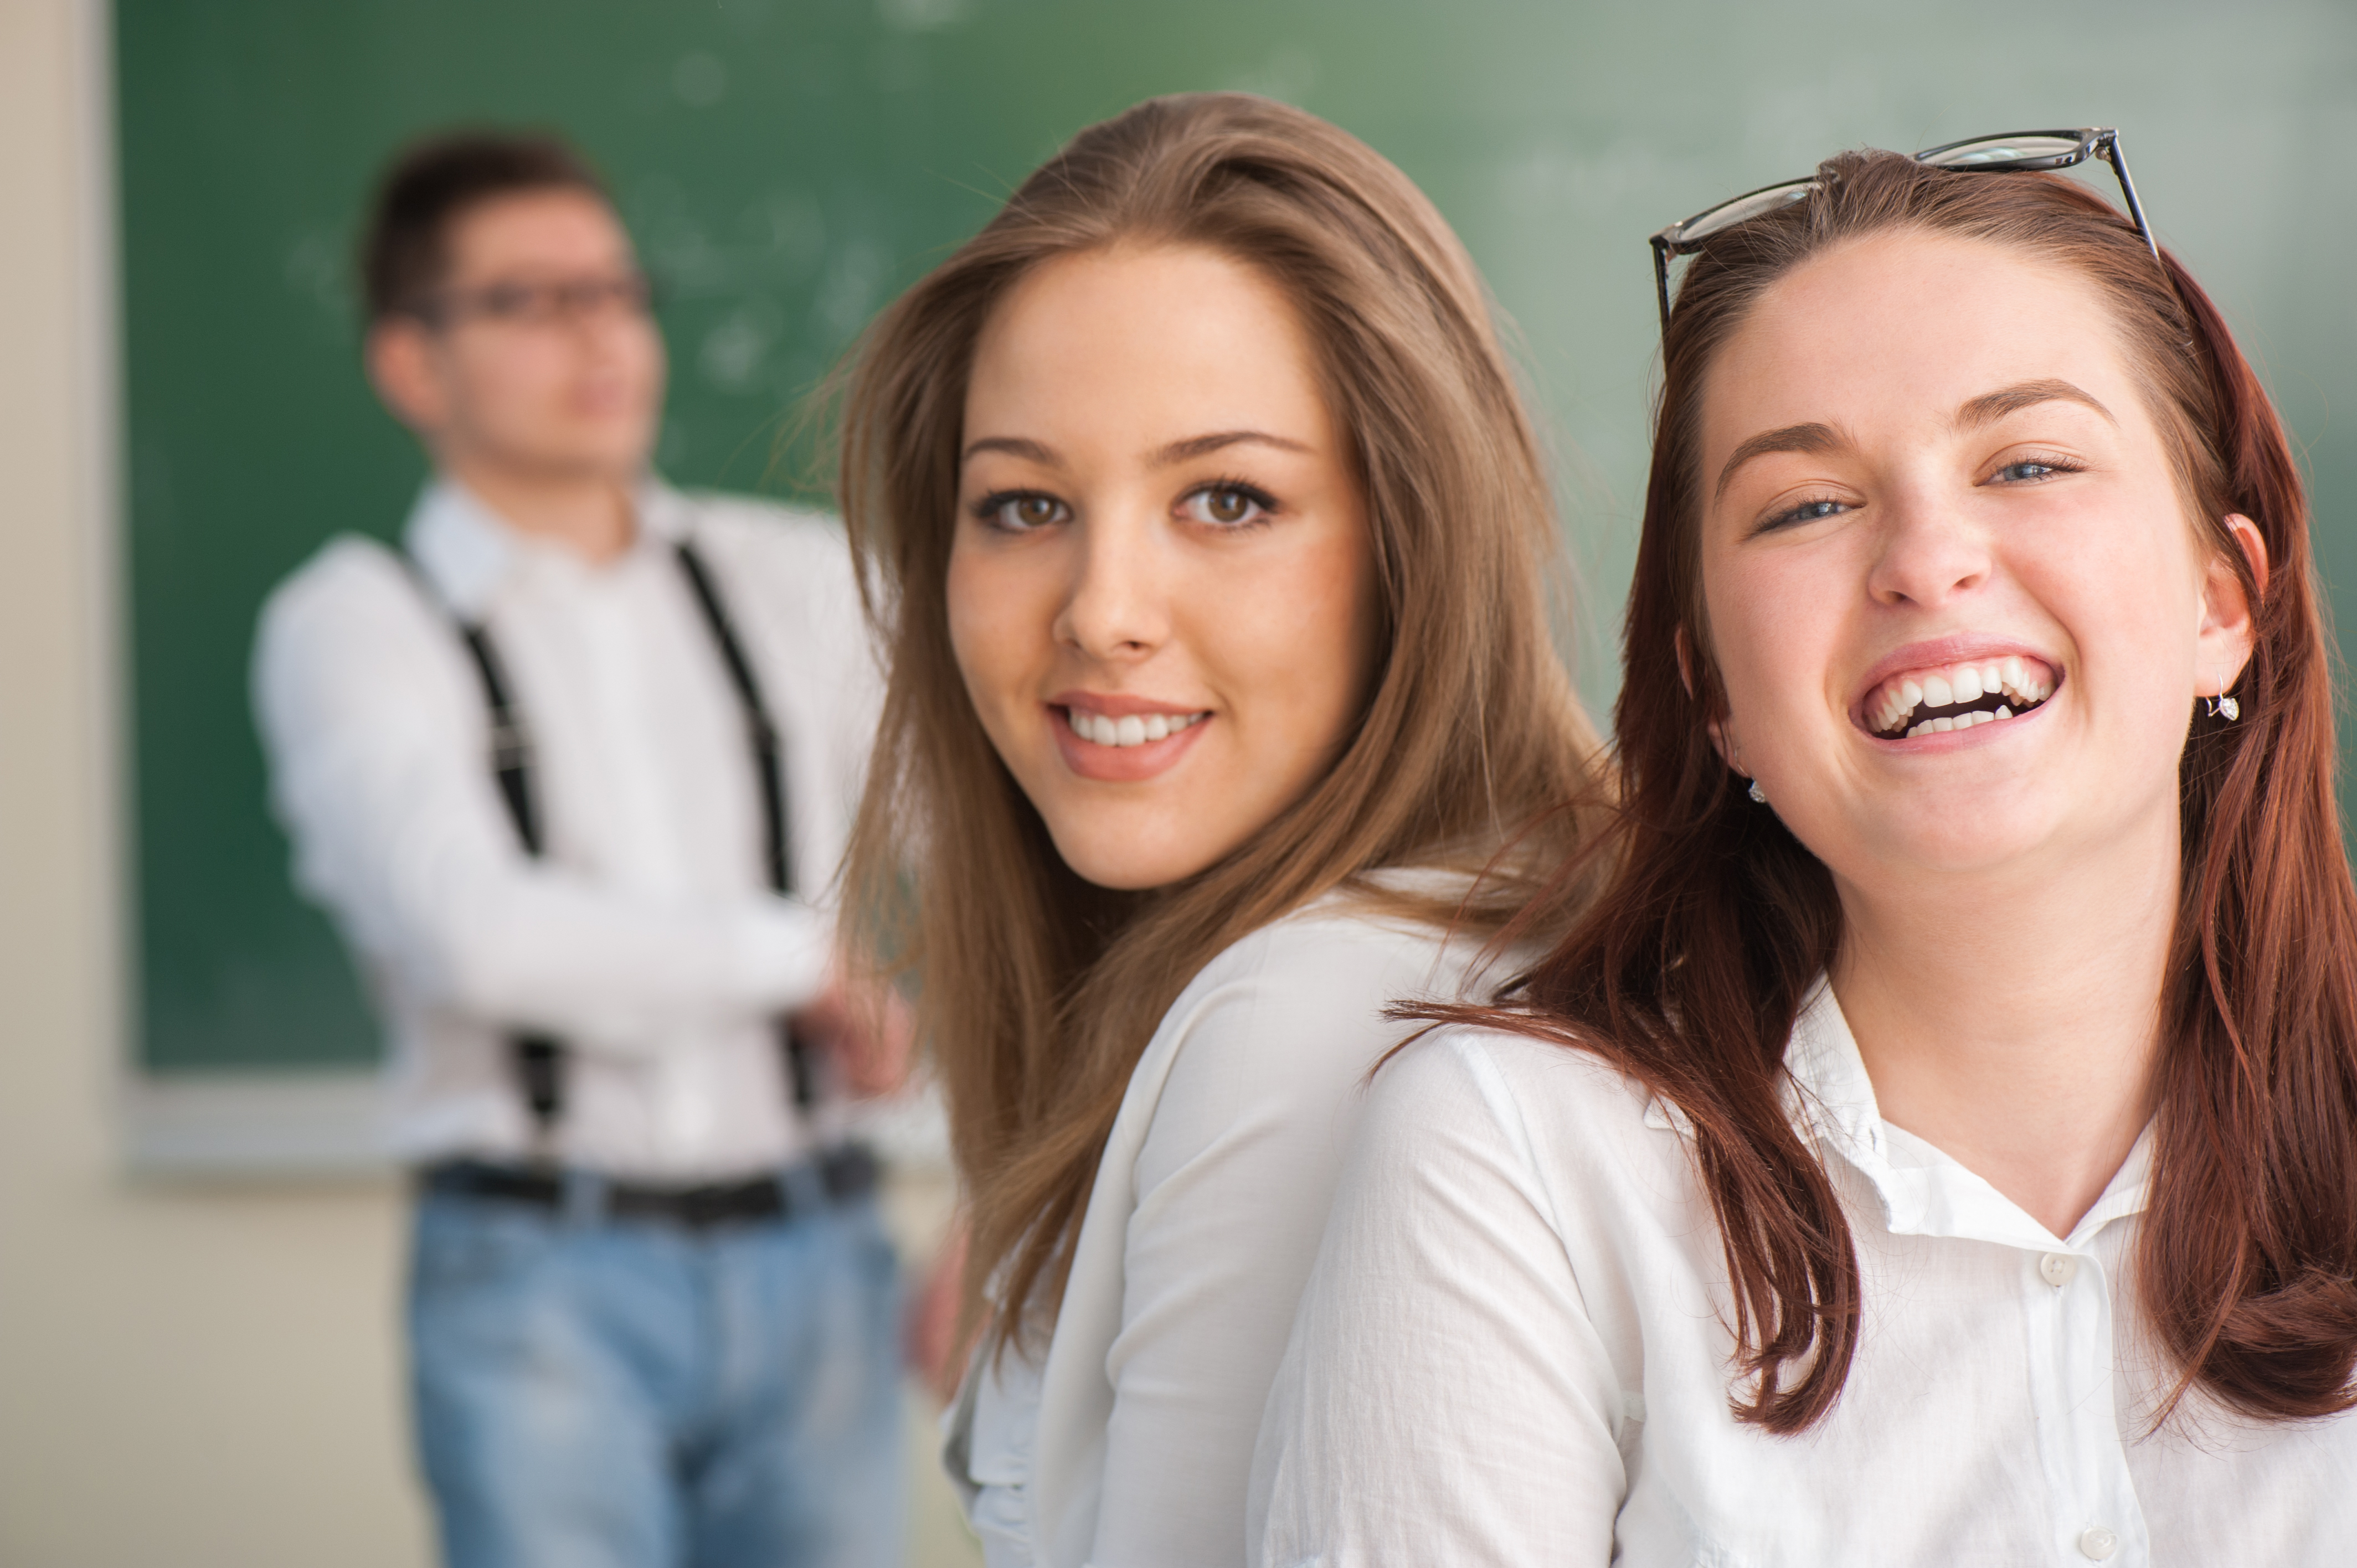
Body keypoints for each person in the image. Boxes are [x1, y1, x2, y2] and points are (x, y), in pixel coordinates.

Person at [1253, 135, 2357, 1564]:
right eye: (1809, 506)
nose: (1925, 556)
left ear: (2228, 604)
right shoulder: (1522, 1161)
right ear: (1712, 693)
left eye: (2026, 460)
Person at [832, 92, 1609, 1567]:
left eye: (1229, 499)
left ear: (1416, 539)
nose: (1103, 609)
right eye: (1020, 506)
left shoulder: (1307, 1015)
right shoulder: (1483, 914)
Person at [252, 132, 909, 1568]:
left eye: (616, 290)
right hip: (538, 1279)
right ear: (412, 366)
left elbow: (1012, 844)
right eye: (529, 301)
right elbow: (476, 936)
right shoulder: (358, 624)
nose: (599, 331)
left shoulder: (801, 582)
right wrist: (799, 958)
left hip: (822, 1261)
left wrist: (1006, 1173)